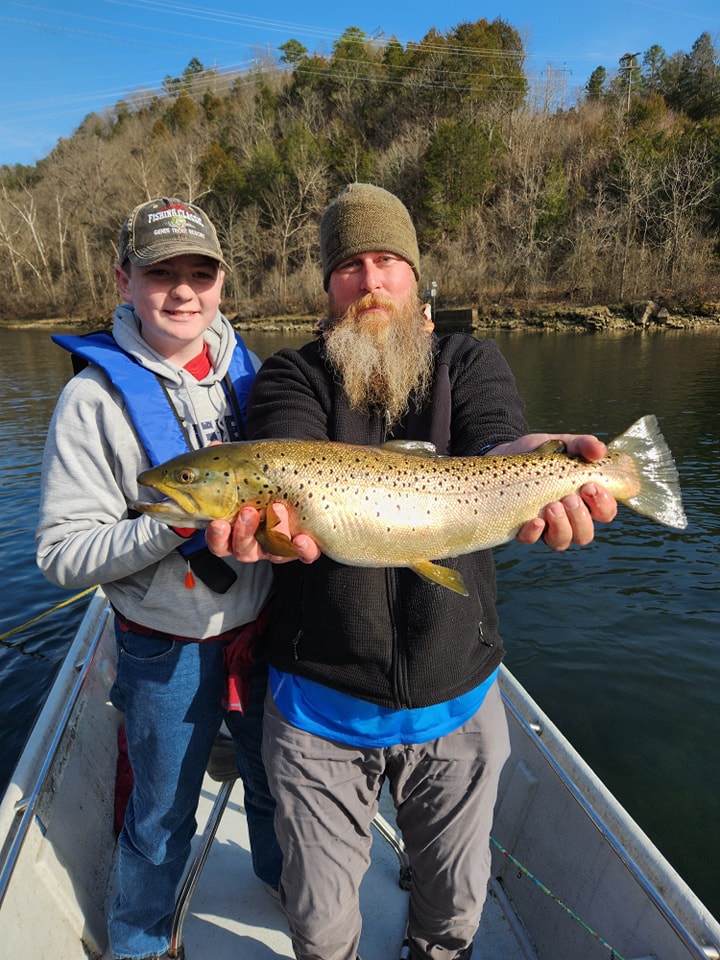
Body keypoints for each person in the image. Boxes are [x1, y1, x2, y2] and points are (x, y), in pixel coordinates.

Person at [205, 182, 618, 960]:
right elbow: (285, 456)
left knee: (454, 916)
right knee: (319, 926)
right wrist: (271, 531)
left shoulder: (469, 360)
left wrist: (536, 461)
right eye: (349, 266)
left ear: (415, 277)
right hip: (319, 709)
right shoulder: (291, 377)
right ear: (328, 288)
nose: (370, 281)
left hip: (458, 704)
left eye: (387, 260)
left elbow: (497, 441)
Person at [35, 197, 308, 960]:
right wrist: (171, 525)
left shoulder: (262, 375)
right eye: (161, 274)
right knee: (160, 815)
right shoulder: (91, 401)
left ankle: (281, 881)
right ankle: (141, 940)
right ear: (123, 280)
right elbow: (59, 555)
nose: (183, 292)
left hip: (265, 631)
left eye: (200, 273)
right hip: (164, 647)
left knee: (275, 783)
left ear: (223, 282)